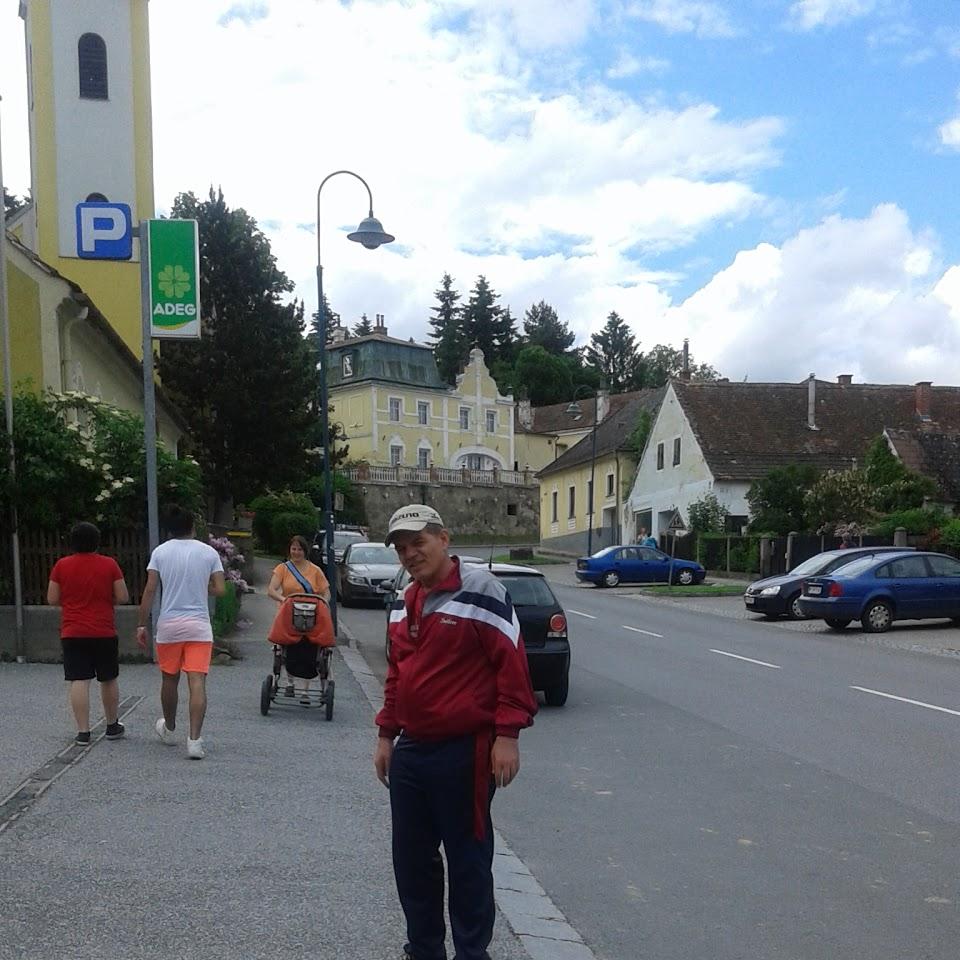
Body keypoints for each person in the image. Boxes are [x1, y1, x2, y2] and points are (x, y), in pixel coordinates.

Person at [374, 504, 537, 960]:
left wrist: (508, 736)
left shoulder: (483, 591)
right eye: (402, 548)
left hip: (466, 751)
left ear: (444, 539)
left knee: (468, 862)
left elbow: (513, 668)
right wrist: (387, 734)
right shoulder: (405, 598)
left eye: (418, 543)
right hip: (412, 750)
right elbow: (396, 671)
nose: (410, 554)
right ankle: (423, 951)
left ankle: (471, 953)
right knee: (411, 862)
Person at [136, 505, 225, 760]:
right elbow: (220, 589)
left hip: (170, 624)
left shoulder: (160, 553)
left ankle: (170, 726)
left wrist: (142, 623)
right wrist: (202, 587)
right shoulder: (208, 553)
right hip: (198, 625)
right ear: (193, 527)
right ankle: (195, 741)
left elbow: (150, 589)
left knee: (169, 678)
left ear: (169, 530)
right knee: (197, 681)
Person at [47, 522, 129, 745]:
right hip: (103, 630)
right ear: (97, 541)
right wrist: (105, 600)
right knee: (108, 678)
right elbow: (123, 596)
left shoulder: (61, 566)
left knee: (79, 679)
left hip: (73, 630)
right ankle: (112, 725)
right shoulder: (109, 564)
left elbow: (52, 599)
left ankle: (83, 731)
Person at [267, 534, 331, 705]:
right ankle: (289, 683)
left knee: (311, 646)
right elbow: (271, 589)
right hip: (288, 613)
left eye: (299, 549)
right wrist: (283, 600)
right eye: (293, 549)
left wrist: (323, 603)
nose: (296, 552)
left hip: (311, 613)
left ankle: (305, 689)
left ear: (305, 551)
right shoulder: (283, 568)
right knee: (287, 646)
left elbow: (326, 592)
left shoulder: (315, 571)